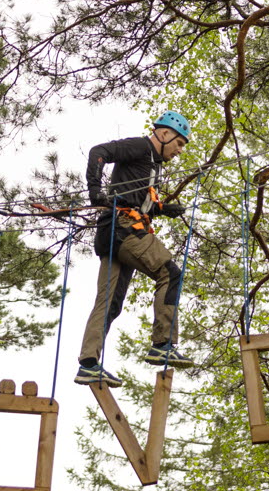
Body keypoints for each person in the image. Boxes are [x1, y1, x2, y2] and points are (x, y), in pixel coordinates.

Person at [75, 111, 195, 387]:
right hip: (125, 227)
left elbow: (136, 197)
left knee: (110, 303)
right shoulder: (140, 147)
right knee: (171, 273)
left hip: (112, 233)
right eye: (179, 143)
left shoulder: (154, 164)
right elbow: (99, 152)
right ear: (164, 134)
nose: (179, 150)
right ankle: (163, 343)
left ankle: (88, 363)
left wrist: (162, 209)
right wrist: (95, 189)